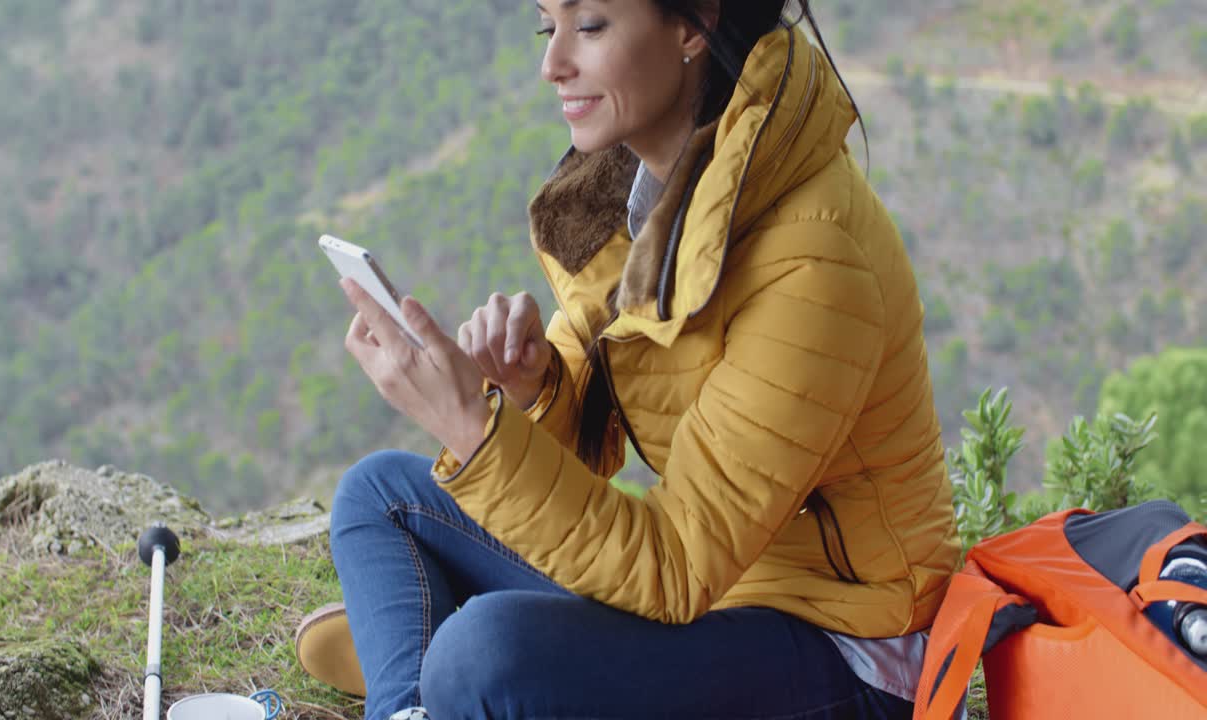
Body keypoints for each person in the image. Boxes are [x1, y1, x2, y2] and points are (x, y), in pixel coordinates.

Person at [296, 1, 961, 718]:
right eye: (547, 26)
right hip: (717, 597)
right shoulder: (640, 190)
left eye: (590, 26)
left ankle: (448, 665)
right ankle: (415, 704)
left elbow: (674, 568)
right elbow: (584, 463)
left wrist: (470, 425)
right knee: (381, 495)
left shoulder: (813, 255)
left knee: (482, 655)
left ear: (691, 25)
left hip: (849, 649)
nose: (552, 64)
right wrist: (530, 390)